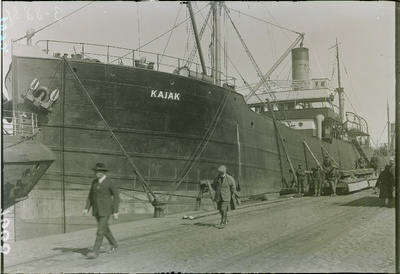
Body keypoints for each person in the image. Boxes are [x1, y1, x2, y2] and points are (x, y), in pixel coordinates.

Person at [83, 163, 120, 259]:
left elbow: (116, 196)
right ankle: (114, 245)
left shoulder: (110, 182)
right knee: (105, 229)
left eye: (98, 171)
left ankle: (95, 252)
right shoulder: (94, 182)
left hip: (106, 211)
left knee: (100, 231)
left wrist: (115, 211)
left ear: (103, 172)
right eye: (95, 171)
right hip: (96, 211)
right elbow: (90, 196)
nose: (96, 173)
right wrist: (86, 208)